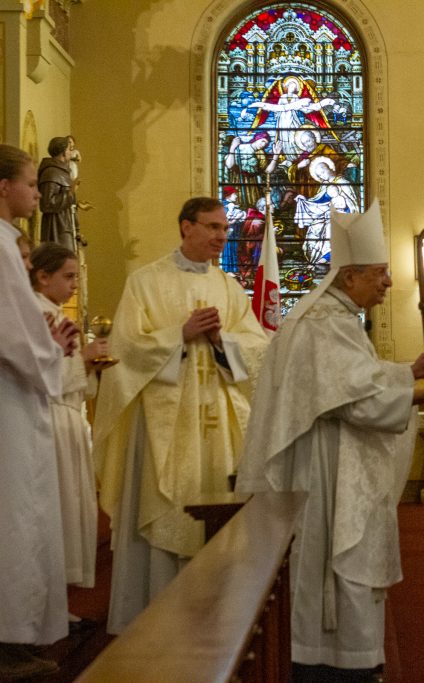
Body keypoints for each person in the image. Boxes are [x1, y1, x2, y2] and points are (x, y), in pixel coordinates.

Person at [235, 201, 424, 682]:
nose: (388, 282)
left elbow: (353, 380)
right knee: (335, 559)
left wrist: (405, 373)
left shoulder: (332, 318)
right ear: (349, 277)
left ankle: (341, 655)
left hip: (331, 458)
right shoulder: (325, 323)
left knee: (336, 562)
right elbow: (358, 403)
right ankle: (333, 661)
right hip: (326, 468)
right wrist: (420, 394)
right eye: (379, 273)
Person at [91, 196, 268, 633]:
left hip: (218, 418)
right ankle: (154, 616)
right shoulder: (145, 282)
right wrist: (180, 335)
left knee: (220, 506)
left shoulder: (229, 287)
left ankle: (216, 613)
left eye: (224, 228)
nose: (222, 236)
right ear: (186, 227)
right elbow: (125, 349)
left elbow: (258, 345)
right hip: (163, 422)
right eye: (213, 227)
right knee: (164, 505)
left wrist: (224, 342)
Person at [0, 144, 79, 679]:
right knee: (14, 517)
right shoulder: (3, 245)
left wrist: (44, 345)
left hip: (15, 391)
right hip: (10, 397)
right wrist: (51, 350)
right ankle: (8, 641)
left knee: (22, 516)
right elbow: (13, 333)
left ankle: (17, 636)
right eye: (30, 183)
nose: (37, 193)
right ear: (3, 187)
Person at [30, 243, 109, 608]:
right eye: (68, 276)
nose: (74, 284)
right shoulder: (36, 315)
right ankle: (47, 604)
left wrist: (90, 366)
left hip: (68, 419)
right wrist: (84, 360)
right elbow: (43, 377)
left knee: (72, 510)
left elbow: (74, 381)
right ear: (43, 277)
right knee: (56, 512)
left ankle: (60, 604)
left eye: (76, 276)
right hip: (50, 420)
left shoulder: (57, 314)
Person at [38, 136, 79, 251]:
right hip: (56, 227)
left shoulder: (62, 171)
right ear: (63, 152)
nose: (71, 153)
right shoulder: (51, 173)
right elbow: (47, 204)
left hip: (65, 223)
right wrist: (70, 194)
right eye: (69, 149)